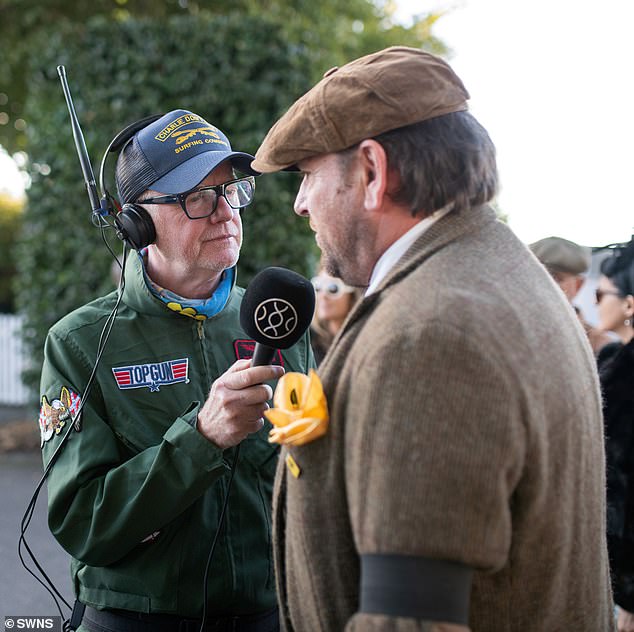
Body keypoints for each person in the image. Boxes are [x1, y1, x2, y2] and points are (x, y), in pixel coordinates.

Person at [252, 47, 614, 631]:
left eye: (308, 175)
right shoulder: (496, 270)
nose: (299, 204)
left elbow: (410, 622)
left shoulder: (430, 334)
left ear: (371, 171)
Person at [38, 109, 313, 632]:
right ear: (134, 219)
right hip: (138, 620)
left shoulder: (277, 317)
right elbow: (83, 522)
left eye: (231, 190)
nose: (225, 212)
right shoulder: (80, 342)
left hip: (271, 615)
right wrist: (202, 437)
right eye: (197, 197)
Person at [595, 239, 634, 632]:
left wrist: (630, 598)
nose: (594, 302)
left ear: (629, 305)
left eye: (600, 293)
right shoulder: (610, 361)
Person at [530, 235, 612, 353]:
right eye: (537, 277)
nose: (543, 285)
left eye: (555, 278)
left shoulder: (600, 346)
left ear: (578, 285)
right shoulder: (513, 329)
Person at [309, 266, 363, 364]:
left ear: (352, 295)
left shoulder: (362, 341)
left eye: (333, 288)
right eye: (318, 287)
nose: (323, 295)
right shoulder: (309, 341)